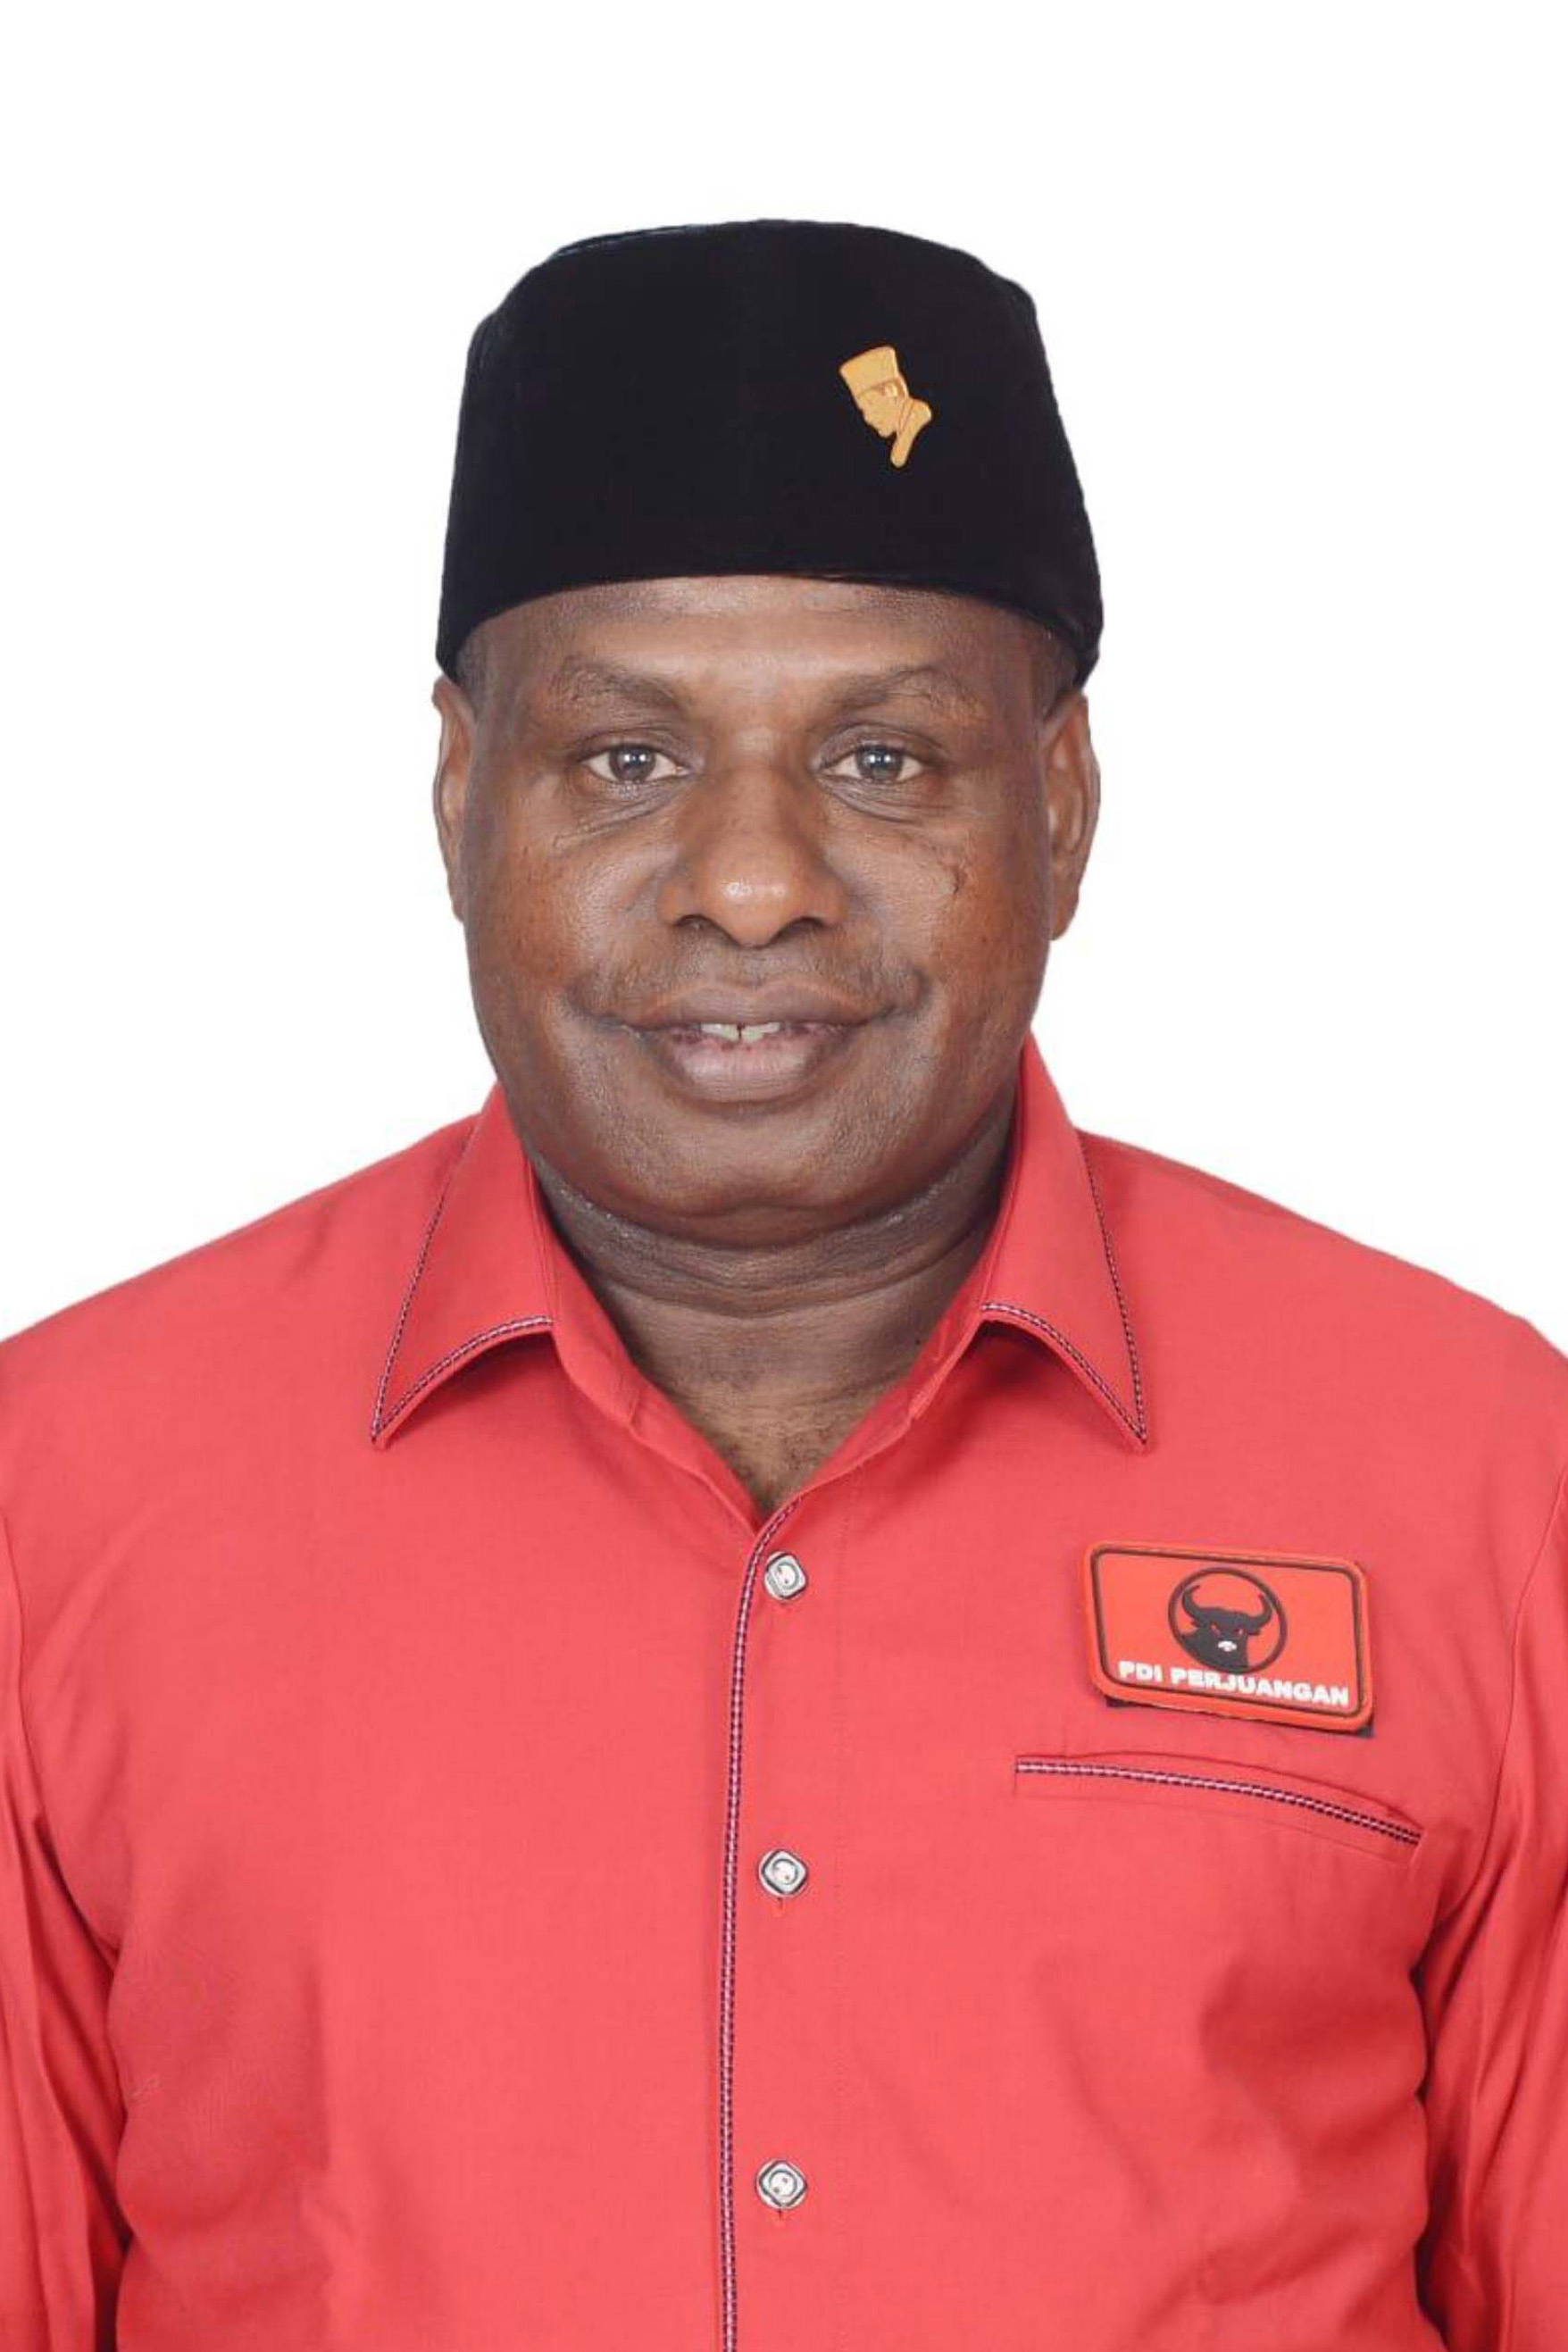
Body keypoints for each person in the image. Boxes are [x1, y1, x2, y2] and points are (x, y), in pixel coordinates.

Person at [1, 217, 1563, 2352]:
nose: (750, 883)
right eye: (625, 761)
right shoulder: (66, 1492)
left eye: (880, 759)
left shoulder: (1474, 1474)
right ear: (461, 799)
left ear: (1059, 806)